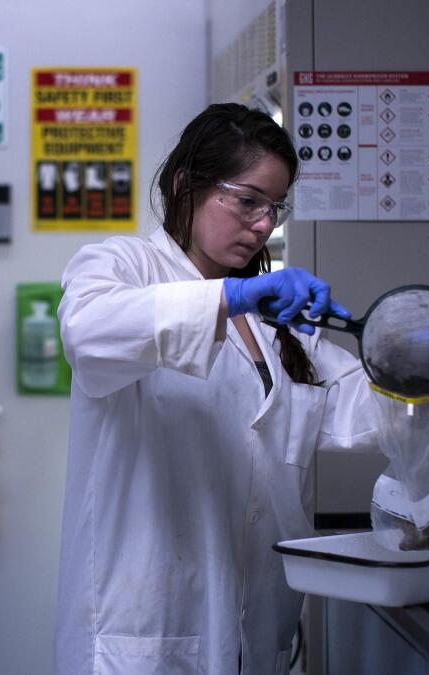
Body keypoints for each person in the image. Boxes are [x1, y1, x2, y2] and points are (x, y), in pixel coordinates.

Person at [53, 103, 379, 674]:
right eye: (248, 200)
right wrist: (233, 297)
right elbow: (87, 331)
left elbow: (366, 407)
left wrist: (413, 352)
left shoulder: (275, 330)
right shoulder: (124, 266)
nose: (263, 225)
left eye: (274, 208)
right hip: (146, 635)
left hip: (255, 635)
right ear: (187, 185)